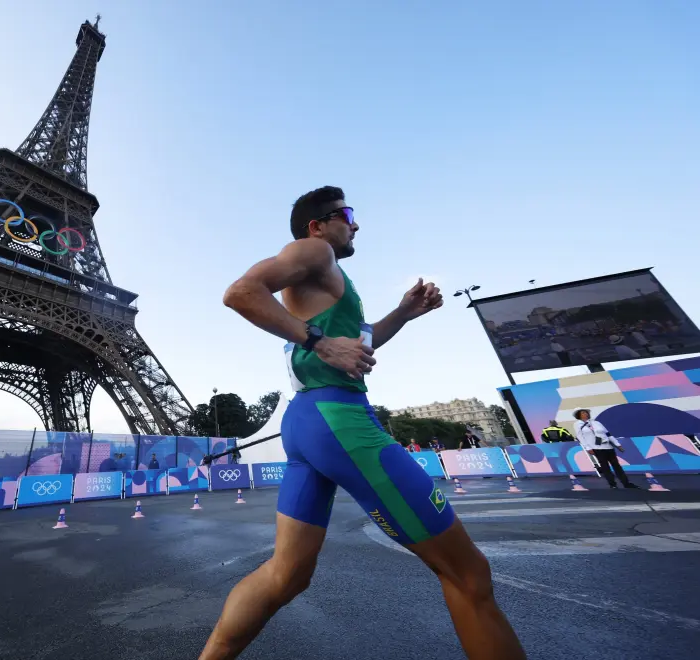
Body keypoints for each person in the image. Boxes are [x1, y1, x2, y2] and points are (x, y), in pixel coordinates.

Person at [201, 186, 525, 660]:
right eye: (348, 214)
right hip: (339, 420)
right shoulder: (313, 250)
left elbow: (363, 338)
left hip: (307, 421)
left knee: (286, 575)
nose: (356, 224)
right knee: (468, 574)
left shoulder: (328, 281)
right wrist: (319, 342)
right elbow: (240, 292)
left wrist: (405, 313)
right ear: (318, 224)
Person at [573, 409, 639, 489]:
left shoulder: (596, 423)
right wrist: (588, 447)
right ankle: (612, 484)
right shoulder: (577, 424)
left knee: (616, 465)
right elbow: (580, 437)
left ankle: (626, 483)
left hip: (608, 446)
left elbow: (607, 434)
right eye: (582, 413)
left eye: (586, 412)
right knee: (605, 467)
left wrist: (617, 444)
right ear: (578, 415)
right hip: (596, 448)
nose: (585, 414)